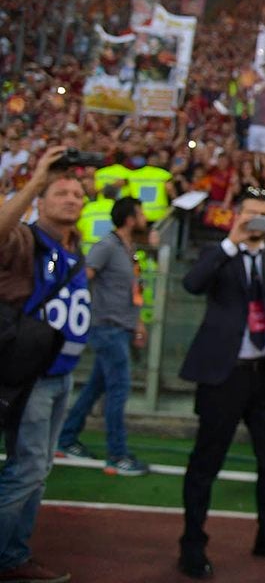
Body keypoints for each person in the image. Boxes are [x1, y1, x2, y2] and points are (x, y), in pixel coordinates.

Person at [176, 189, 265, 579]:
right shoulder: (218, 253)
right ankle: (192, 545)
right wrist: (231, 242)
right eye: (251, 214)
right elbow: (192, 284)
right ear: (237, 215)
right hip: (224, 375)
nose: (257, 222)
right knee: (206, 462)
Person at [0, 146, 90, 583]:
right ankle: (6, 558)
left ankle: (15, 554)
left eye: (78, 194)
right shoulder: (26, 239)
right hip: (32, 375)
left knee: (38, 471)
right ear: (40, 201)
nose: (72, 199)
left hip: (61, 374)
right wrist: (37, 178)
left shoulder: (76, 247)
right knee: (27, 469)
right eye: (61, 192)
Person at [55, 197, 150, 476]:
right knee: (118, 390)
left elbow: (133, 291)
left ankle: (66, 438)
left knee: (96, 387)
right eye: (141, 213)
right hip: (107, 327)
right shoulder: (107, 246)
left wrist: (138, 324)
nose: (145, 218)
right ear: (130, 219)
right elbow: (83, 276)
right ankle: (117, 455)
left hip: (120, 327)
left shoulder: (128, 249)